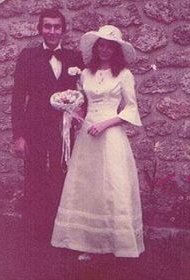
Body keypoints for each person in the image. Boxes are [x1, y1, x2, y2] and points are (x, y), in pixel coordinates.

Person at [51, 25, 145, 258]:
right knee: (87, 186)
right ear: (96, 48)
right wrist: (73, 112)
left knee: (112, 185)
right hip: (86, 135)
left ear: (116, 50)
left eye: (110, 46)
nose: (105, 50)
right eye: (101, 45)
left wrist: (104, 124)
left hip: (109, 135)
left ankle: (117, 242)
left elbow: (131, 109)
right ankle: (87, 243)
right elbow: (83, 104)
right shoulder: (85, 74)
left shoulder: (124, 75)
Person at [11, 8, 83, 243]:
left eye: (56, 26)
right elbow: (18, 98)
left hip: (63, 129)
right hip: (34, 129)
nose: (52, 31)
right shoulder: (27, 56)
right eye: (47, 26)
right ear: (40, 29)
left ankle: (59, 229)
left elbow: (82, 92)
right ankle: (32, 232)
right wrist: (18, 136)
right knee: (34, 177)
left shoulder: (74, 58)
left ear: (63, 29)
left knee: (61, 175)